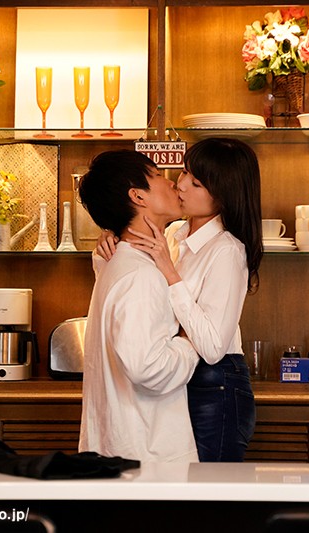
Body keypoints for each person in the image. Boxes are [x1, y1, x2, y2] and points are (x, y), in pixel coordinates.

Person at [97, 137, 263, 462]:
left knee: (207, 487)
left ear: (224, 195)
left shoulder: (227, 250)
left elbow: (212, 348)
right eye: (185, 172)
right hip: (177, 376)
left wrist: (170, 273)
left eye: (196, 183)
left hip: (216, 385)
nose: (181, 184)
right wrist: (111, 241)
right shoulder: (173, 234)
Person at [76, 149, 200, 463]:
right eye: (157, 175)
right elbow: (149, 368)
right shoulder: (141, 275)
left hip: (122, 450)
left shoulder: (118, 262)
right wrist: (189, 342)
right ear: (137, 196)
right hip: (145, 458)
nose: (173, 183)